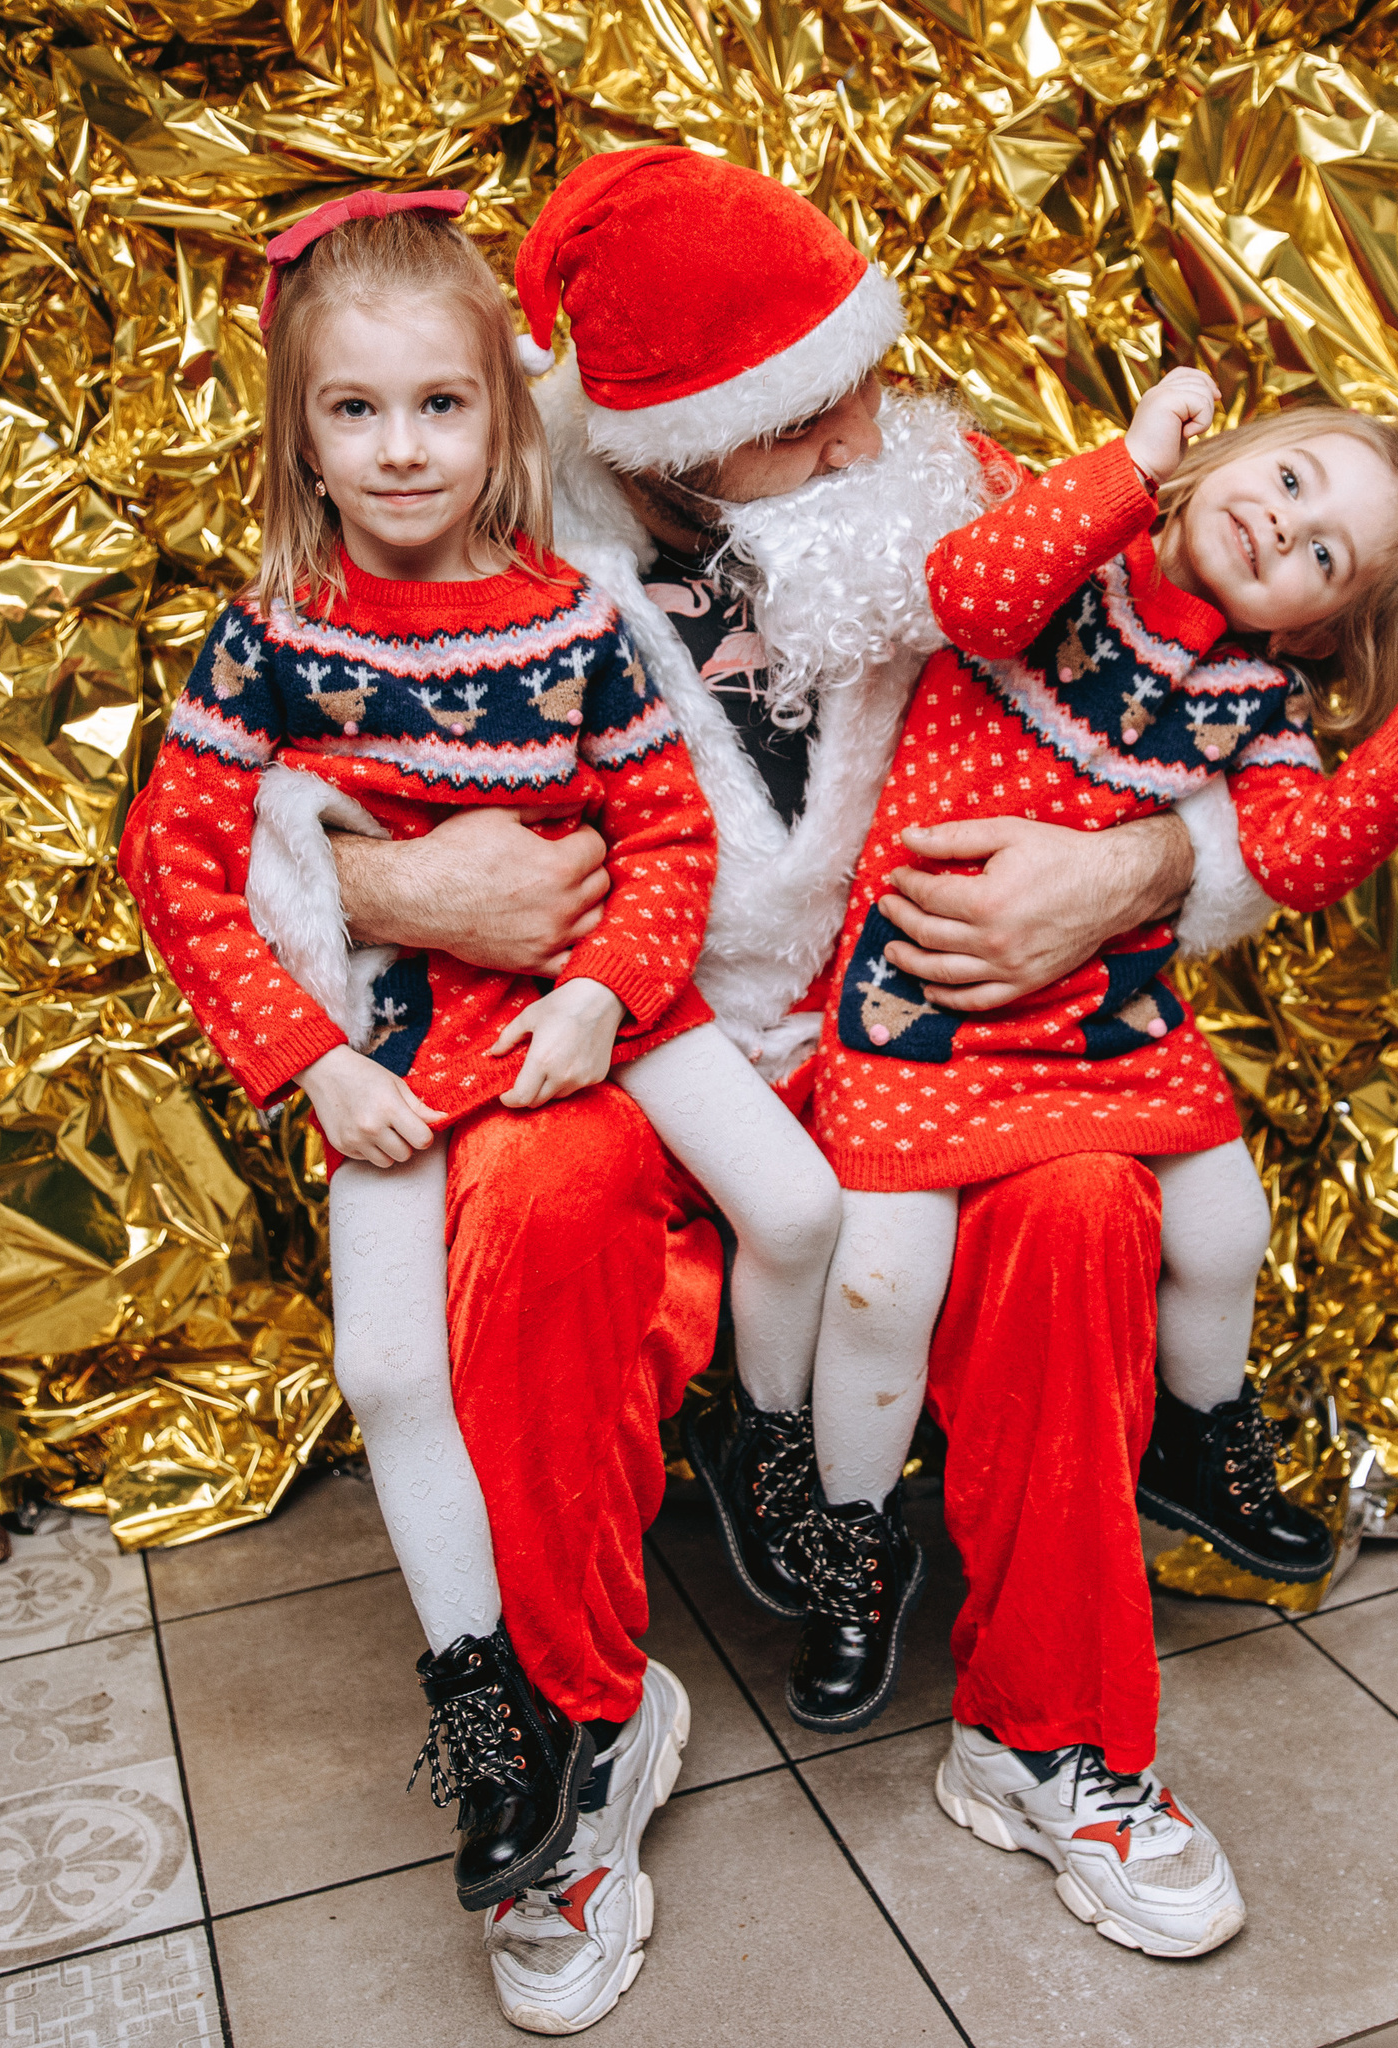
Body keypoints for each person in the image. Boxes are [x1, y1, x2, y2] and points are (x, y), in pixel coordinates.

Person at [267, 148, 1283, 1981]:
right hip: (628, 1041)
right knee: (533, 1200)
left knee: (1079, 1203)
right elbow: (243, 788)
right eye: (803, 416)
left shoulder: (943, 491)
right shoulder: (473, 500)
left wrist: (1138, 869)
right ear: (669, 441)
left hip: (936, 1037)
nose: (862, 434)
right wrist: (394, 885)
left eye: (866, 380)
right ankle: (580, 1731)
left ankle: (1051, 1730)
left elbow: (1196, 703)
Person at [118, 191, 840, 2035]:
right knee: (389, 1372)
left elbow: (664, 834)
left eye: (439, 404)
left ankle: (771, 1452)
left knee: (797, 1209)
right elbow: (178, 863)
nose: (400, 448)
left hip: (596, 1005)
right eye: (354, 411)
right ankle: (489, 1706)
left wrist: (602, 995)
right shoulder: (274, 637)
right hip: (403, 1043)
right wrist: (316, 1064)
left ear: (503, 417)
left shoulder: (576, 621)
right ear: (301, 435)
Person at [788, 369, 1398, 1951]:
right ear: (1231, 450)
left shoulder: (1254, 699)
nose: (1286, 531)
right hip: (923, 996)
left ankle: (1201, 1440)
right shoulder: (1070, 564)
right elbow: (968, 594)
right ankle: (849, 1545)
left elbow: (1294, 857)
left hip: (1102, 1014)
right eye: (1293, 482)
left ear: (1324, 629)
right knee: (882, 1282)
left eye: (1326, 557)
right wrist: (1128, 467)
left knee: (1222, 1223)